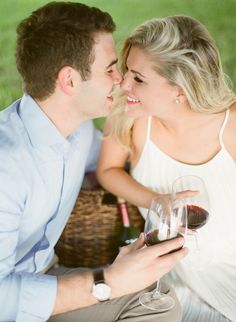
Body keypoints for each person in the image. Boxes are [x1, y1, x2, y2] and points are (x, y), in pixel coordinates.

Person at [0, 3, 188, 322]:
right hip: (10, 299)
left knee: (158, 301)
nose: (120, 81)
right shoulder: (7, 165)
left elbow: (109, 167)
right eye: (110, 69)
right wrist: (108, 282)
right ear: (70, 81)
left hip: (45, 275)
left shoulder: (79, 132)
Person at [97, 15, 236, 322]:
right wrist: (155, 201)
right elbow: (108, 170)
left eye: (138, 78)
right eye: (126, 71)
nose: (123, 83)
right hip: (166, 275)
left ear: (180, 89)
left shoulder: (231, 125)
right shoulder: (131, 113)